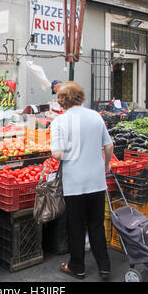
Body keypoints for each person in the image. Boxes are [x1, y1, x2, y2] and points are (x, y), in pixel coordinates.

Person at [51, 81, 114, 280]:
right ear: (81, 97)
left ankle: (77, 267)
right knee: (96, 224)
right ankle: (104, 267)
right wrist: (105, 166)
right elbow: (108, 146)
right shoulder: (96, 116)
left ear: (61, 100)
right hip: (96, 180)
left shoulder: (59, 122)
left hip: (74, 183)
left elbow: (57, 154)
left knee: (76, 226)